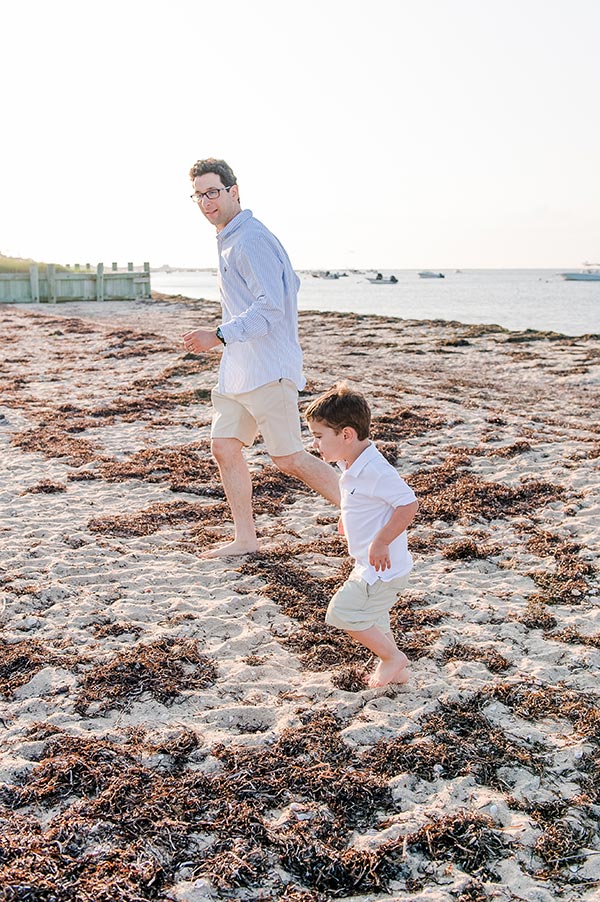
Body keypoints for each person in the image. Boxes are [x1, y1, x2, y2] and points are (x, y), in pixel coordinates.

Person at [182, 158, 340, 558]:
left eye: (213, 191)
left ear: (234, 191)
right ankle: (246, 538)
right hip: (239, 370)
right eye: (198, 195)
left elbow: (270, 308)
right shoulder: (231, 239)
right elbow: (288, 286)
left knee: (289, 457)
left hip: (268, 368)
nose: (206, 201)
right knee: (224, 447)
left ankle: (366, 512)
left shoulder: (249, 239)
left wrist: (219, 335)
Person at [305, 383, 418, 688]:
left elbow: (408, 504)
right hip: (370, 566)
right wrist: (348, 520)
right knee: (376, 619)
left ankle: (392, 659)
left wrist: (381, 541)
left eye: (318, 437)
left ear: (346, 435)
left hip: (382, 570)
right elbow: (362, 502)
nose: (315, 444)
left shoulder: (375, 470)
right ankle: (399, 673)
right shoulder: (350, 462)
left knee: (343, 612)